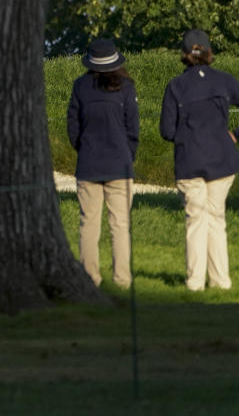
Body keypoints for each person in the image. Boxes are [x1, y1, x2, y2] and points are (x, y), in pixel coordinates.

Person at [159, 29, 239, 291]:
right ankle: (221, 282)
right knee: (216, 220)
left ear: (184, 55)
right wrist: (236, 135)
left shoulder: (175, 86)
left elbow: (166, 131)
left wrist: (187, 135)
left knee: (195, 221)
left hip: (189, 161)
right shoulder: (223, 81)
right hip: (222, 159)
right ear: (209, 52)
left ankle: (195, 283)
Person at [67, 38, 139, 289]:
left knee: (89, 224)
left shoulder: (80, 87)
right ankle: (122, 280)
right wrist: (128, 155)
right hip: (120, 165)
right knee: (120, 225)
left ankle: (90, 280)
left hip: (88, 164)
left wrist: (85, 149)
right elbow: (133, 130)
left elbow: (73, 129)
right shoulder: (127, 88)